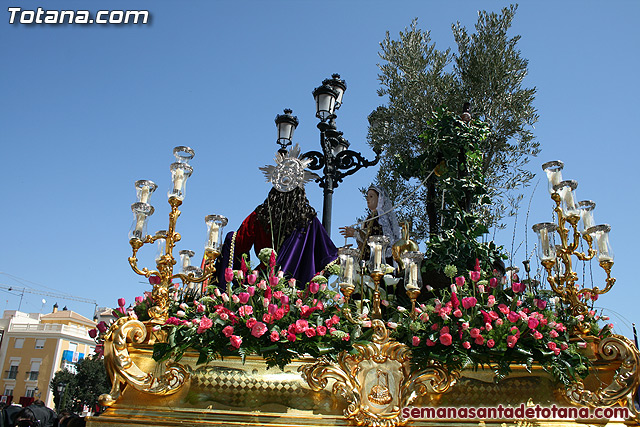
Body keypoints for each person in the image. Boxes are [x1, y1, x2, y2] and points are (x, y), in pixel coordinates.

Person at [208, 145, 338, 287]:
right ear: (300, 189)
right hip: (295, 287)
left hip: (261, 283)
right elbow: (326, 256)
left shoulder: (259, 215)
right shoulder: (308, 220)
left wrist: (240, 276)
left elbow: (236, 243)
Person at [339, 184, 401, 265]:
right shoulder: (369, 218)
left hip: (382, 261)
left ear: (380, 199)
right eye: (367, 197)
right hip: (369, 261)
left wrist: (355, 233)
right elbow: (365, 244)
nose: (368, 199)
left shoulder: (383, 219)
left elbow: (381, 239)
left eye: (371, 196)